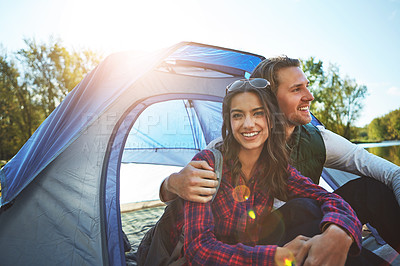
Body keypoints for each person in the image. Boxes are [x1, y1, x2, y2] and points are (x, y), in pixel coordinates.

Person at [159, 56, 400, 254]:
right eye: (297, 89)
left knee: (367, 192)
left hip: (301, 226)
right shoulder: (223, 151)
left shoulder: (317, 141)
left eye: (307, 86)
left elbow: (391, 174)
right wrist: (170, 183)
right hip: (249, 247)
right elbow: (195, 236)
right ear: (269, 101)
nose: (310, 96)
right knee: (303, 207)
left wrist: (341, 228)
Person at [179, 78, 362, 265]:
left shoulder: (274, 167)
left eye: (258, 113)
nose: (248, 124)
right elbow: (199, 249)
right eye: (238, 115)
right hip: (227, 261)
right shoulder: (208, 163)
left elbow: (327, 198)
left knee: (307, 207)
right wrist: (275, 256)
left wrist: (339, 232)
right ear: (229, 122)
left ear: (272, 120)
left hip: (257, 251)